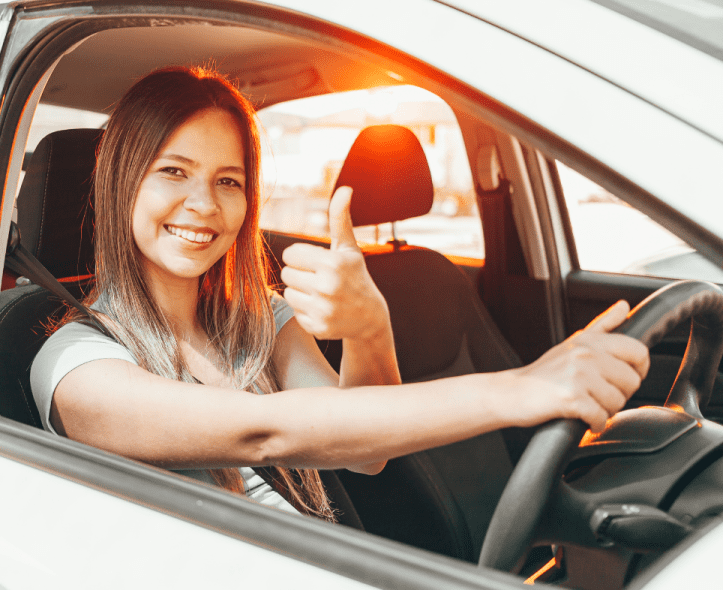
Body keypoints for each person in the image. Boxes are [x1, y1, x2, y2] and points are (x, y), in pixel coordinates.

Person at [30, 66, 649, 521]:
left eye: (228, 181)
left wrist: (369, 325)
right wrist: (524, 388)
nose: (204, 204)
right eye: (173, 171)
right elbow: (265, 432)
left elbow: (362, 455)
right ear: (120, 180)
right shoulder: (74, 366)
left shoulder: (258, 321)